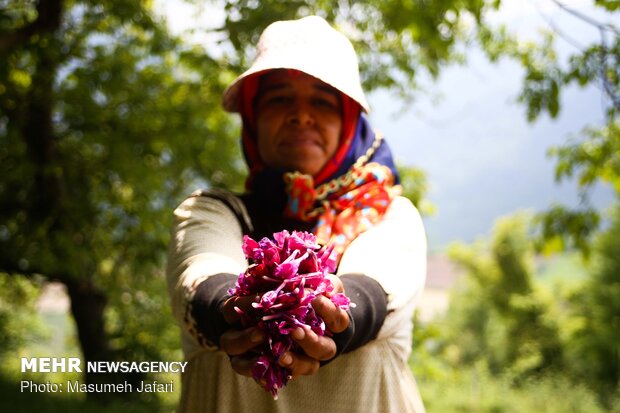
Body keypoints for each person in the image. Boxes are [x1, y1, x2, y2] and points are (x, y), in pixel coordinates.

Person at [166, 15, 427, 413]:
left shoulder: (388, 216)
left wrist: (337, 316)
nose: (301, 115)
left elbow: (375, 291)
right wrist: (228, 310)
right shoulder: (211, 211)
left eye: (322, 101)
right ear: (252, 120)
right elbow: (202, 273)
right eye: (279, 98)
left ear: (350, 123)